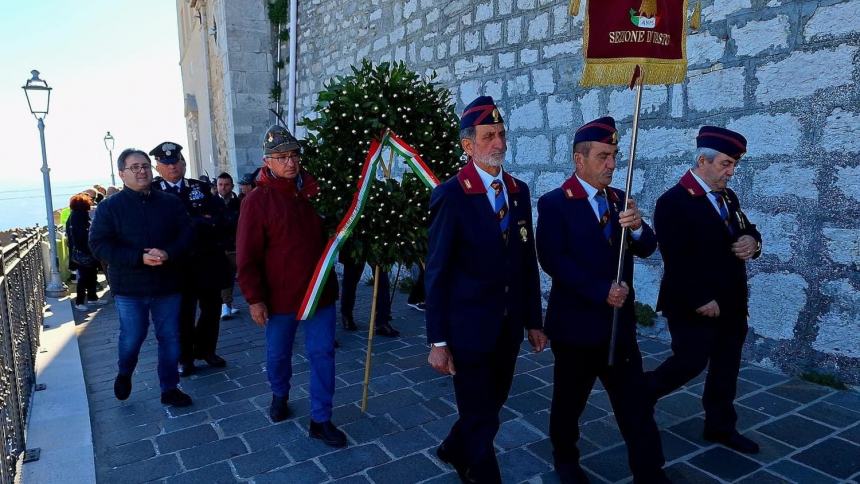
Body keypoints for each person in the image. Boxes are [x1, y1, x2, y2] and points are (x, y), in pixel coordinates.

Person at [536, 117, 669, 484]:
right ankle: (566, 459)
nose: (612, 164)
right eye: (603, 156)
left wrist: (639, 225)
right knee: (569, 403)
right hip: (576, 327)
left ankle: (649, 471)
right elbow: (552, 259)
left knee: (634, 403)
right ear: (580, 160)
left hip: (619, 327)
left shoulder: (619, 201)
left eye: (614, 155)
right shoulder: (555, 204)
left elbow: (646, 247)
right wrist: (600, 290)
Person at [425, 96, 546, 483]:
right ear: (468, 145)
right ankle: (480, 472)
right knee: (480, 415)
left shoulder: (518, 191)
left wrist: (533, 321)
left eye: (501, 134)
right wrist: (438, 341)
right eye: (488, 136)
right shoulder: (452, 195)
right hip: (468, 329)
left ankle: (453, 447)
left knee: (493, 404)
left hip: (507, 327)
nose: (498, 143)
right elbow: (438, 272)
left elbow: (527, 261)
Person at [647, 126, 762, 455]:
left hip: (732, 300)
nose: (732, 171)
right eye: (726, 163)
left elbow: (745, 227)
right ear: (703, 160)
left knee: (727, 365)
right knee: (690, 361)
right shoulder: (673, 202)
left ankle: (721, 426)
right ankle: (640, 394)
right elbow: (675, 257)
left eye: (734, 164)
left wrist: (752, 241)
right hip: (692, 302)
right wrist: (700, 298)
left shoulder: (727, 197)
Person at [237, 125, 347, 447]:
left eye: (294, 155)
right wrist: (255, 299)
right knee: (278, 355)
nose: (290, 162)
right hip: (280, 298)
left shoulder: (315, 191)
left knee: (323, 354)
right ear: (266, 161)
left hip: (319, 293)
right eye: (281, 157)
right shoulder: (257, 201)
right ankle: (279, 393)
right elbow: (246, 255)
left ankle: (321, 419)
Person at [89, 148, 194, 407]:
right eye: (134, 167)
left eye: (145, 166)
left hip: (167, 284)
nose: (141, 171)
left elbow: (188, 235)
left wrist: (168, 253)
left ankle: (169, 388)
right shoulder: (109, 208)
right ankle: (125, 372)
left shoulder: (170, 202)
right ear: (122, 174)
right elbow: (99, 244)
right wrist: (138, 257)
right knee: (132, 337)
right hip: (130, 289)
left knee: (169, 337)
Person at [151, 141, 229, 376]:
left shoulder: (201, 188)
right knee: (183, 314)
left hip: (206, 261)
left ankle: (206, 350)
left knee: (212, 308)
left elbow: (219, 218)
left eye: (176, 162)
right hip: (176, 265)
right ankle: (185, 358)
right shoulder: (154, 193)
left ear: (184, 164)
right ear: (158, 167)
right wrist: (197, 222)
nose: (172, 167)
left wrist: (196, 224)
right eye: (166, 163)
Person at [339, 250, 400, 336]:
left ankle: (382, 321)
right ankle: (346, 315)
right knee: (351, 279)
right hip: (355, 241)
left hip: (377, 243)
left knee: (382, 280)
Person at [67, 193, 104, 310]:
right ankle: (80, 302)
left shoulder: (77, 215)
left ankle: (92, 297)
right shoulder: (78, 217)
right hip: (84, 251)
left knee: (91, 275)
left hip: (85, 251)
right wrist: (88, 250)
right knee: (84, 277)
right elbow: (80, 236)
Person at [215, 172, 242, 319]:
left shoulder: (239, 203)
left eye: (226, 185)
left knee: (246, 274)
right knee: (225, 277)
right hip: (220, 247)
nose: (223, 188)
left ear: (231, 186)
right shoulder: (211, 203)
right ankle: (226, 305)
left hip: (238, 246)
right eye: (220, 184)